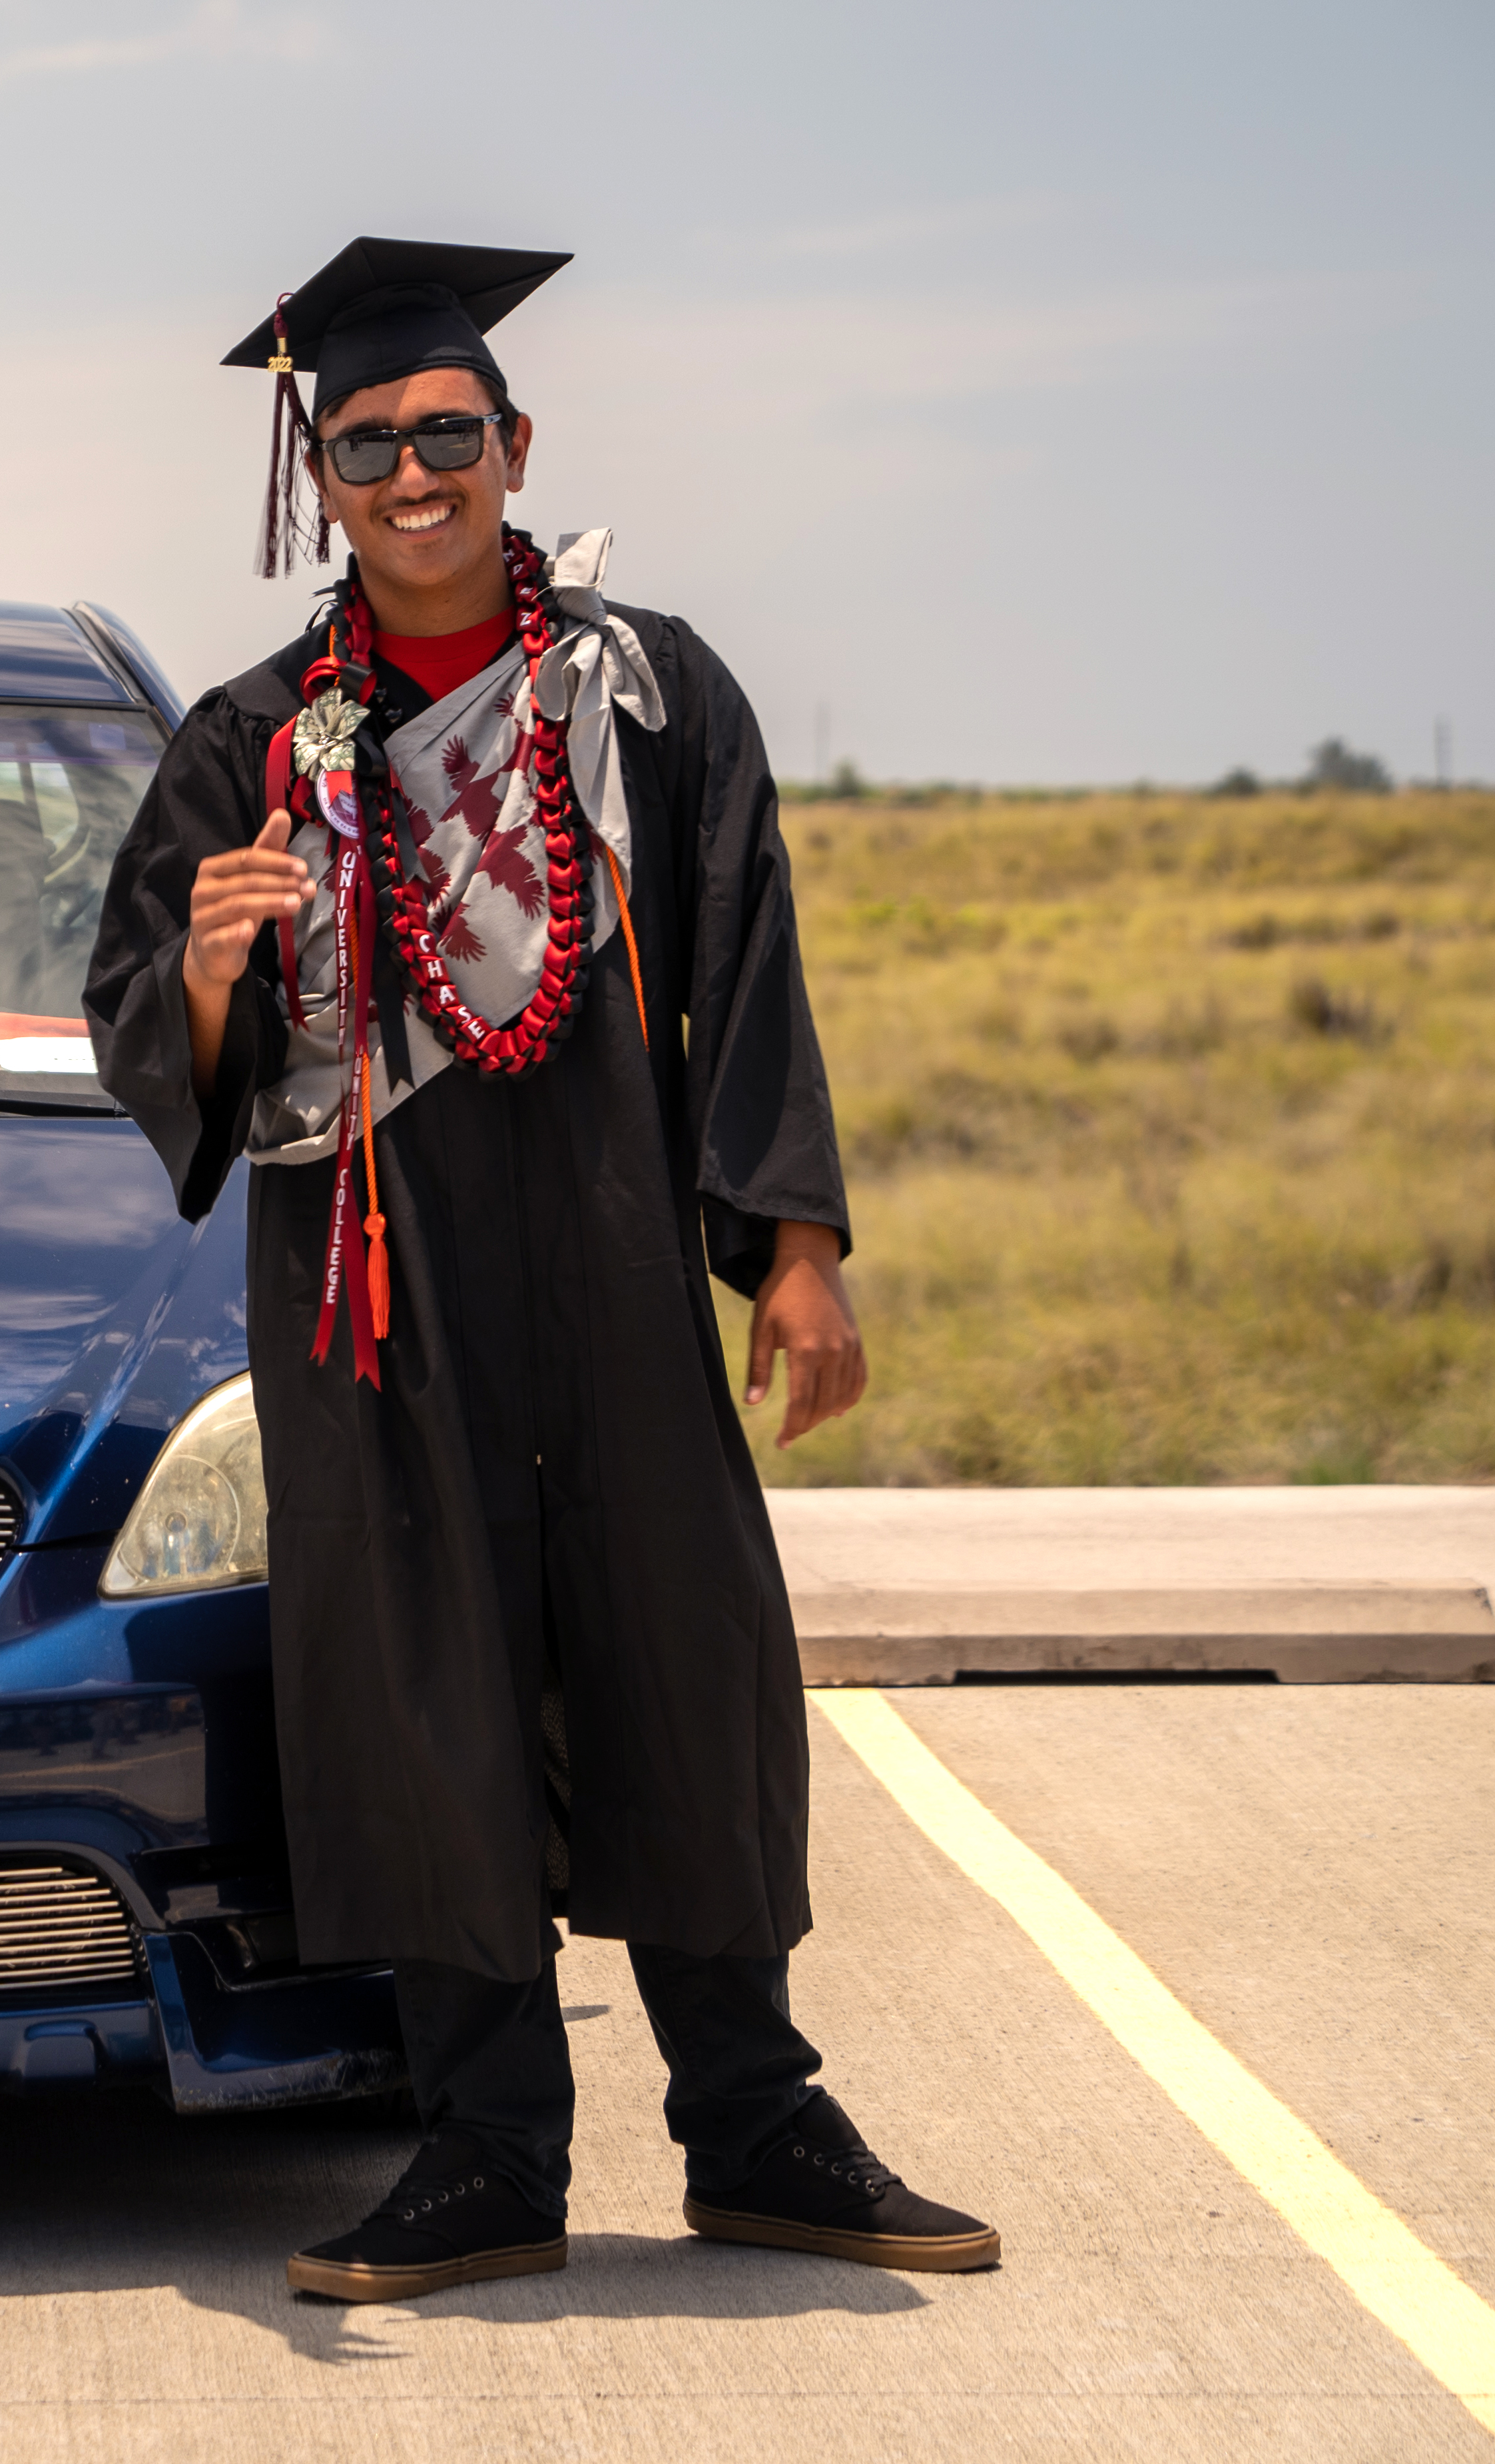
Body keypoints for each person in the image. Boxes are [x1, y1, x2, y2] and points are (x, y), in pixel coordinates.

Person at [84, 236, 998, 2304]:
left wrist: (790, 1250)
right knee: (421, 1686)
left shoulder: (645, 692)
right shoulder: (252, 742)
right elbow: (141, 1022)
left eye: (447, 434)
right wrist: (213, 973)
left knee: (681, 1653)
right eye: (367, 443)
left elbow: (745, 956)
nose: (412, 473)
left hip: (602, 1252)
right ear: (315, 477)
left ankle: (757, 2119)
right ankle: (487, 2148)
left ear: (513, 444)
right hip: (373, 1298)